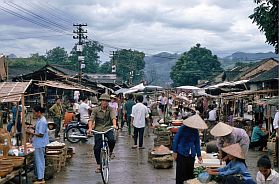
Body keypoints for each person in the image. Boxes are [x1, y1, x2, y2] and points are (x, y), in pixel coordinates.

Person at [172, 114, 207, 184]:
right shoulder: (182, 128)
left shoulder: (195, 131)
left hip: (191, 154)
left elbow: (197, 143)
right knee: (180, 172)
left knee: (189, 172)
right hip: (181, 152)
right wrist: (174, 152)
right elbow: (176, 140)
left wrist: (199, 155)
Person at [87, 93, 117, 173]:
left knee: (112, 140)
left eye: (107, 101)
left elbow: (113, 117)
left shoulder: (111, 109)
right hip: (98, 129)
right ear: (101, 101)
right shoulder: (96, 109)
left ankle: (110, 152)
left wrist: (114, 125)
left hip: (108, 128)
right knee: (96, 148)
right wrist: (90, 128)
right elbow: (91, 119)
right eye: (103, 100)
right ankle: (98, 165)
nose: (105, 102)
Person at [26, 106, 49, 184]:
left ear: (38, 112)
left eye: (34, 112)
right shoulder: (40, 119)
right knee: (39, 161)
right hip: (38, 143)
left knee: (40, 161)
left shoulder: (43, 121)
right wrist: (32, 127)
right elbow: (38, 129)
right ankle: (39, 177)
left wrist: (31, 132)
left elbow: (41, 134)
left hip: (40, 144)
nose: (34, 114)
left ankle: (40, 179)